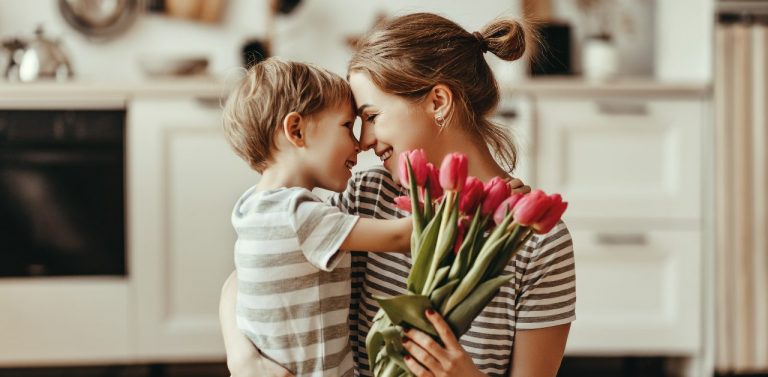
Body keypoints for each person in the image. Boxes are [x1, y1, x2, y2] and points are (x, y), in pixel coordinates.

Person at [220, 13, 576, 377]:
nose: (363, 141)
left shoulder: (538, 240)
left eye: (371, 116)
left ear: (438, 102)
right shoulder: (370, 196)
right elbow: (257, 267)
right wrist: (243, 358)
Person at [220, 57, 412, 377]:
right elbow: (399, 236)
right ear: (296, 130)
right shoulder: (300, 216)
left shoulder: (251, 207)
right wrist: (465, 197)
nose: (359, 144)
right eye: (347, 126)